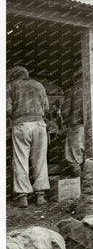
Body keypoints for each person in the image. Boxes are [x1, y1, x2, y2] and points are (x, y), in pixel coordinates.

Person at [6, 66, 50, 207]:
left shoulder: (10, 86)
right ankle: (40, 196)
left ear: (13, 76)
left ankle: (23, 197)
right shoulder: (38, 85)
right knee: (40, 160)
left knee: (20, 160)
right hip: (39, 124)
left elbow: (7, 109)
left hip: (21, 125)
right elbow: (47, 108)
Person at [61, 69, 93, 177]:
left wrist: (67, 120)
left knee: (74, 158)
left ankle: (80, 183)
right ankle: (91, 183)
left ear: (76, 78)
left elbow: (64, 112)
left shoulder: (73, 90)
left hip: (77, 128)